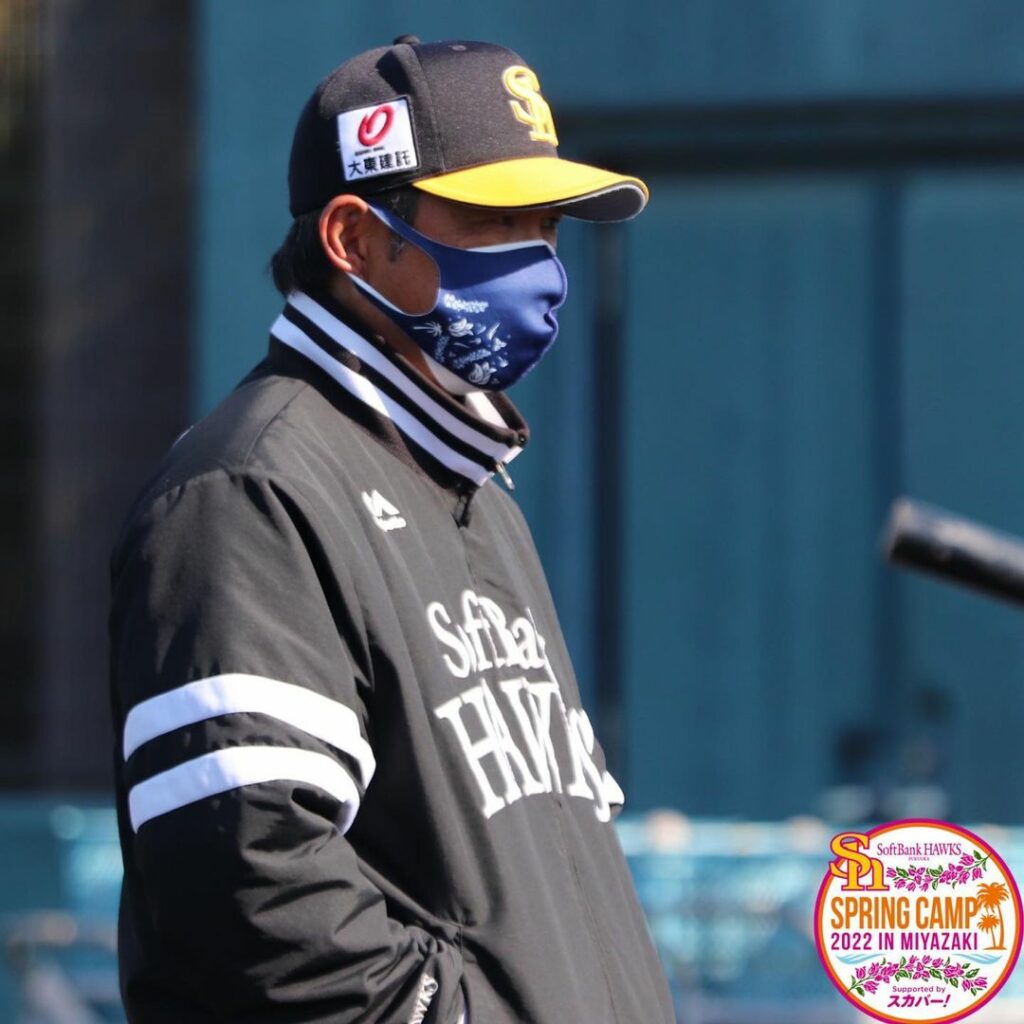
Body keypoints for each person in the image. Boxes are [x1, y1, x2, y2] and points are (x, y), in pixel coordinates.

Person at [108, 35, 676, 1024]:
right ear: (353, 238)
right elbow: (250, 885)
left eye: (545, 223)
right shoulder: (247, 491)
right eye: (493, 219)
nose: (540, 265)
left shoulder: (477, 494)